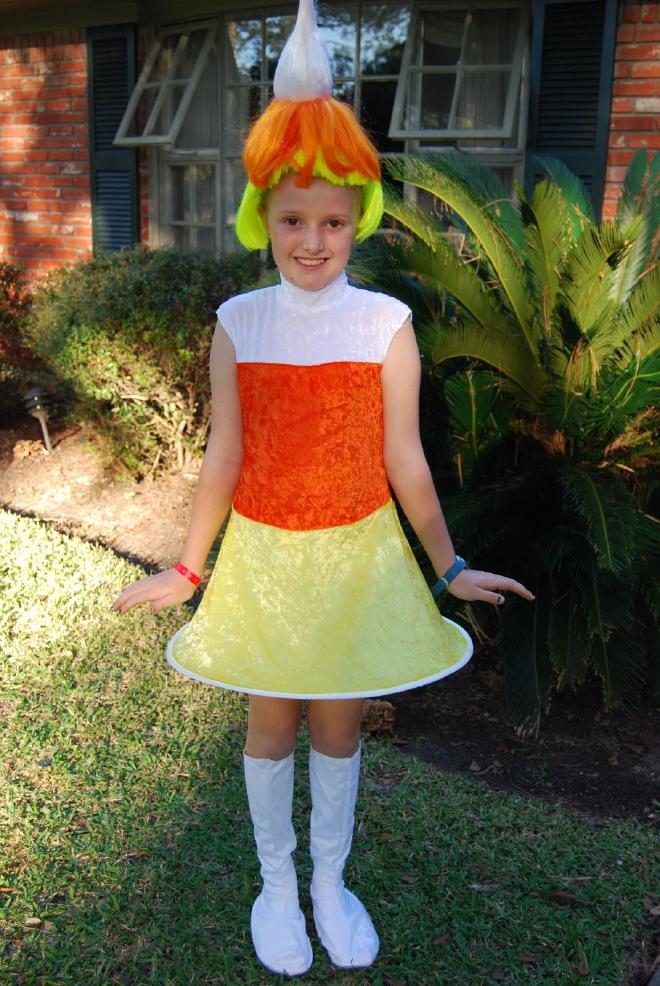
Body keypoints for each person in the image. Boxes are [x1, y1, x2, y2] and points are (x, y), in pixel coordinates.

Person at [111, 0, 534, 977]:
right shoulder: (240, 320)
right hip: (265, 557)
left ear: (358, 220)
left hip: (355, 558)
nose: (313, 240)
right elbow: (225, 455)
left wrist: (449, 566)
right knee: (271, 721)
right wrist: (188, 566)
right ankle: (276, 883)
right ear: (263, 218)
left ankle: (330, 882)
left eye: (333, 221)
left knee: (339, 722)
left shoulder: (385, 323)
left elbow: (405, 459)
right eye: (294, 220)